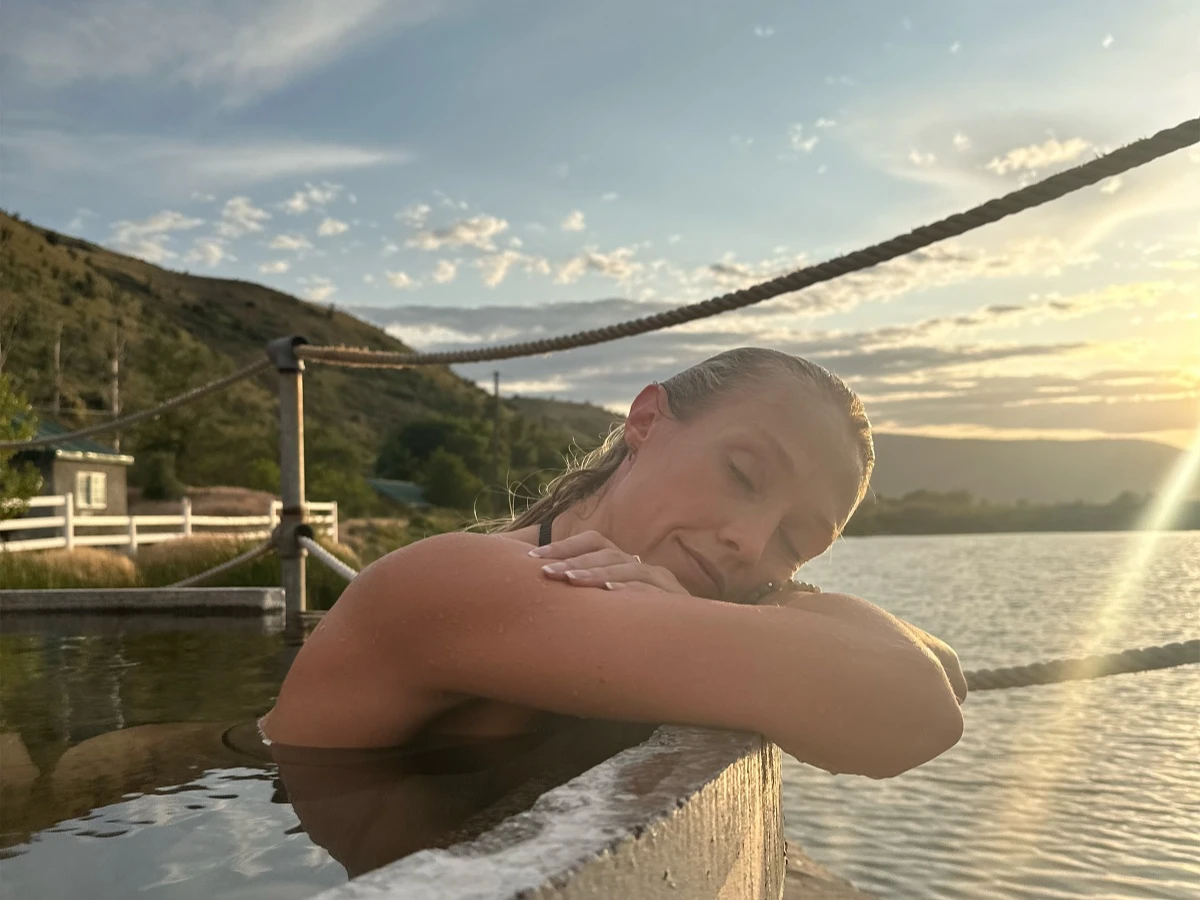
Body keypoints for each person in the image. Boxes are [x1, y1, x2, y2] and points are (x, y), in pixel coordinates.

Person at [261, 348, 966, 779]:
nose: (750, 545)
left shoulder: (657, 605)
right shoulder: (462, 581)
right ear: (647, 422)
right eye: (744, 475)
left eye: (794, 541)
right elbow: (917, 706)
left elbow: (942, 668)